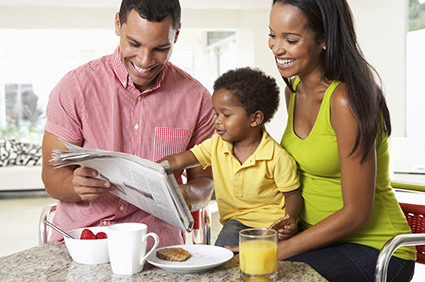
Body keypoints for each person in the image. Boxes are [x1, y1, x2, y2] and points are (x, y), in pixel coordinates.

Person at [260, 0, 416, 281]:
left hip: (376, 249)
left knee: (267, 271)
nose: (276, 47)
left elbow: (357, 214)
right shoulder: (293, 92)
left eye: (291, 39)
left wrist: (274, 250)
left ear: (324, 39)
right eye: (272, 34)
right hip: (321, 241)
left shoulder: (345, 100)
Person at [41, 0, 215, 249]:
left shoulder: (197, 98)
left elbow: (205, 183)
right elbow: (50, 175)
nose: (145, 61)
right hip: (83, 241)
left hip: (157, 244)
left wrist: (188, 196)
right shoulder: (75, 88)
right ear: (117, 25)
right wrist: (73, 185)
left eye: (160, 48)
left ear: (176, 35)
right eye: (134, 44)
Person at [160, 67, 301, 247]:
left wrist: (290, 220)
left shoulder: (276, 156)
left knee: (268, 264)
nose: (217, 120)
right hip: (236, 223)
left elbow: (292, 195)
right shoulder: (216, 144)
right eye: (216, 113)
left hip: (271, 225)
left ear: (255, 119)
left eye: (226, 115)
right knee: (224, 255)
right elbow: (179, 160)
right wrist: (149, 170)